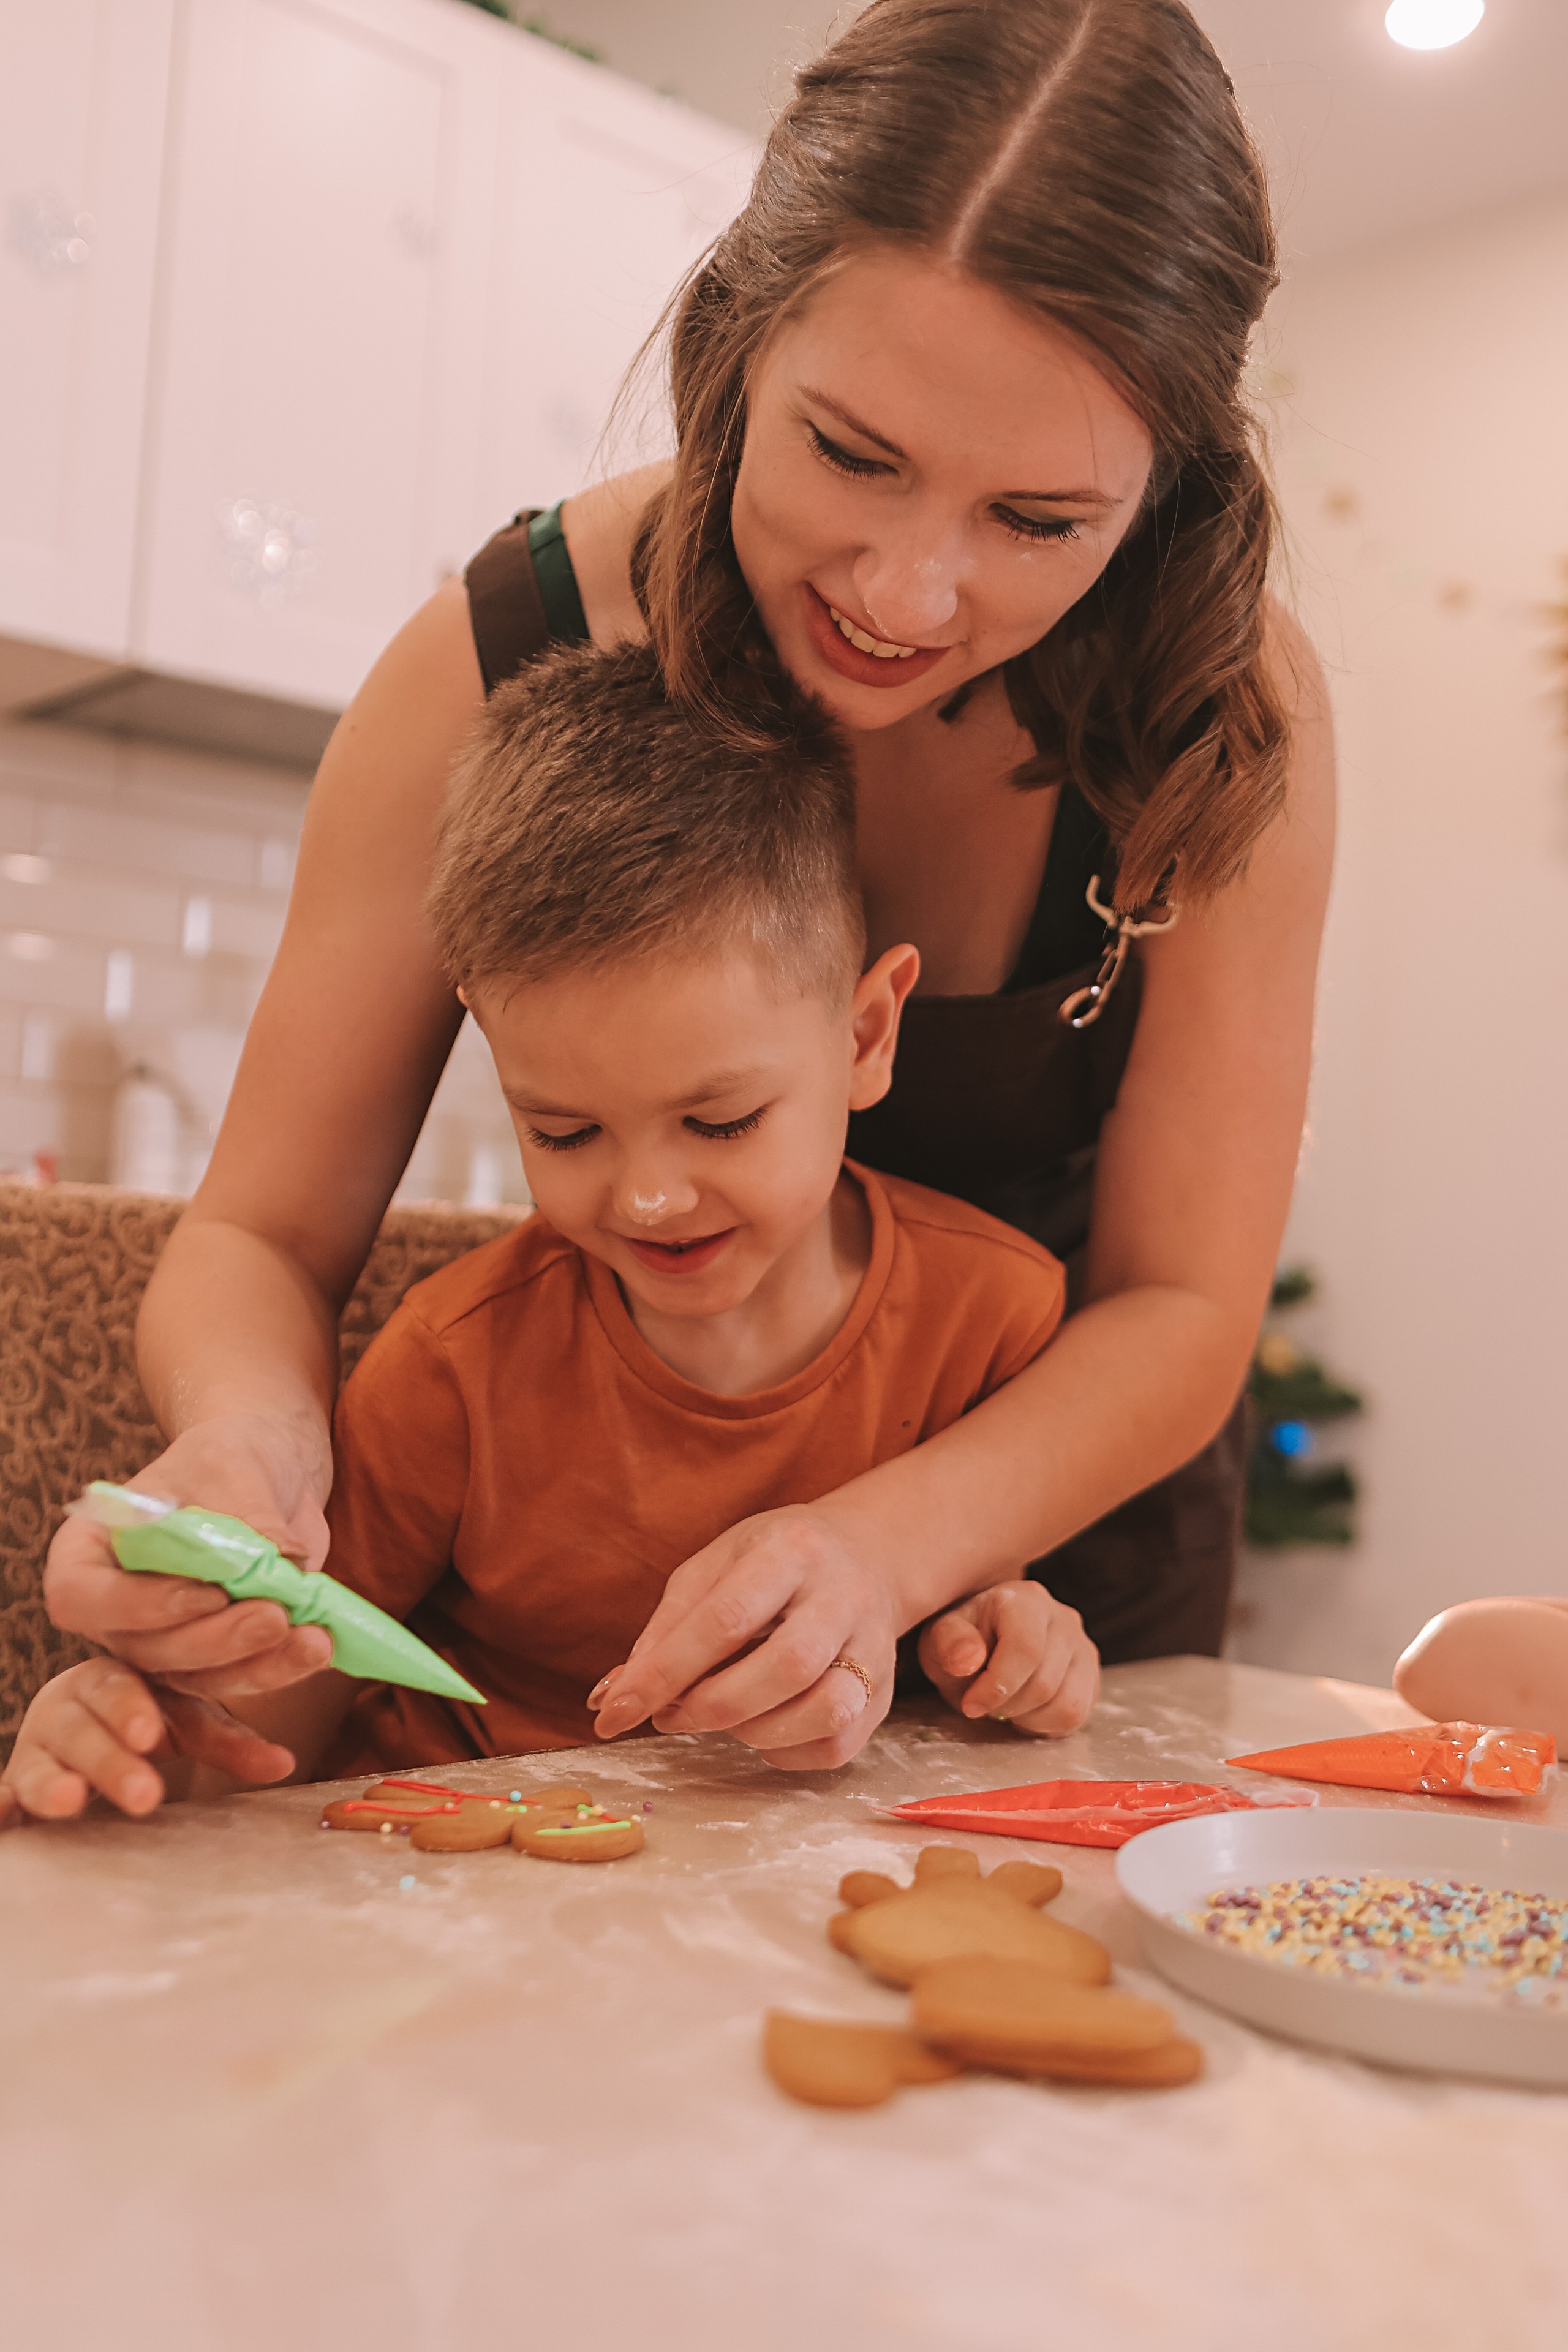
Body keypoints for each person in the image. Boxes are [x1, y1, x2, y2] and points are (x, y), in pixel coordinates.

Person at [41, 0, 1333, 1773]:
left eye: (1037, 523)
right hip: (596, 1633)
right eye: (850, 454)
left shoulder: (1218, 705)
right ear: (735, 340)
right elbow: (261, 1233)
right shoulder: (491, 657)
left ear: (1162, 494)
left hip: (1029, 1618)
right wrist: (251, 1451)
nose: (907, 591)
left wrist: (882, 1556)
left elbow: (1186, 1311)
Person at [2, 643, 1098, 1823]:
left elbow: (959, 1614)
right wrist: (140, 1747)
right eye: (566, 1132)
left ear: (867, 1035)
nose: (649, 1200)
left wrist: (1007, 1642)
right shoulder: (455, 1364)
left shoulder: (995, 1314)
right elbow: (271, 1723)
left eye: (719, 1121)